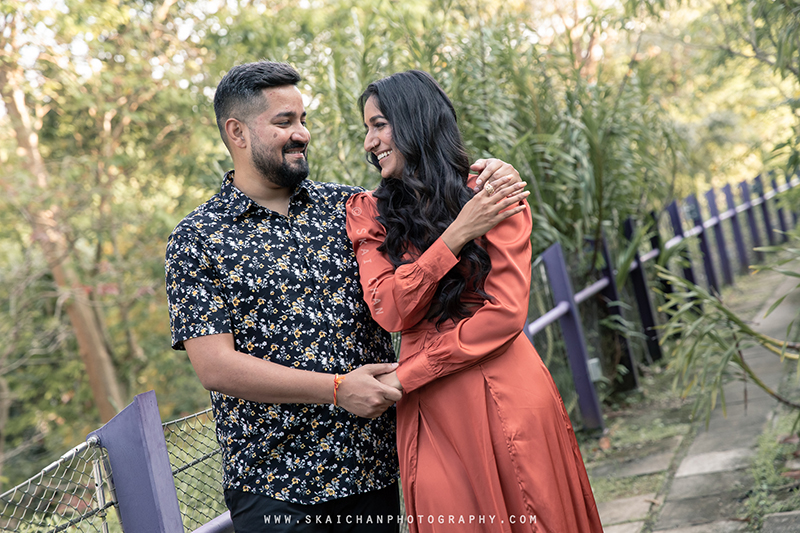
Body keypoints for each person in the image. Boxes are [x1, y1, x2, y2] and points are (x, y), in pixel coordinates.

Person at [164, 60, 522, 533]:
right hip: (275, 485)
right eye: (284, 122)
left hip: (371, 467)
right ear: (237, 132)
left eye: (303, 119)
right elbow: (216, 367)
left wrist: (492, 173)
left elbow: (438, 196)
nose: (302, 134)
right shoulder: (197, 239)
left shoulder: (353, 208)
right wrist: (335, 390)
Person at [346, 70, 603, 532]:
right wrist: (458, 234)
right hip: (434, 408)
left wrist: (407, 374)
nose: (370, 142)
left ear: (416, 120)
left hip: (508, 388)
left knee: (535, 515)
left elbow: (505, 314)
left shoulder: (492, 191)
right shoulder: (369, 211)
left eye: (379, 124)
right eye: (367, 128)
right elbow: (391, 310)